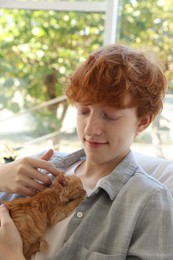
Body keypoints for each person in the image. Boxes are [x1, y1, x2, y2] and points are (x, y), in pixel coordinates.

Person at [0, 44, 173, 259]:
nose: (90, 129)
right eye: (83, 111)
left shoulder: (149, 202)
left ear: (143, 121)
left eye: (109, 116)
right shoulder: (38, 168)